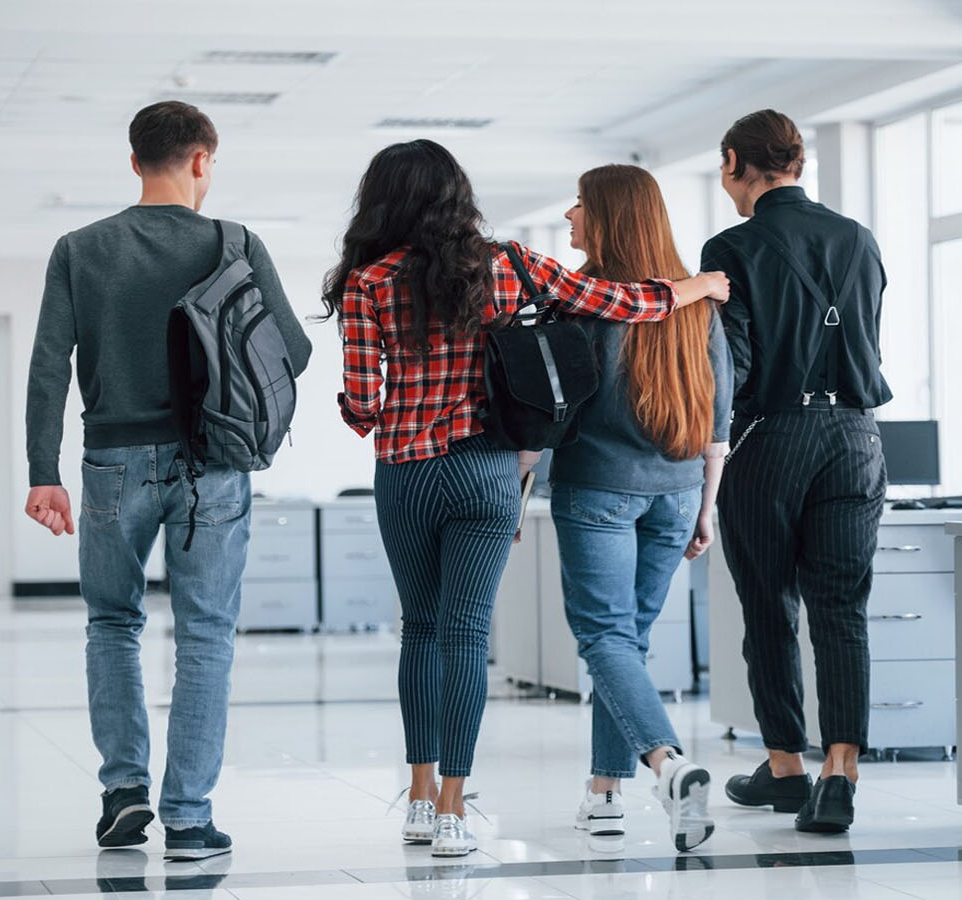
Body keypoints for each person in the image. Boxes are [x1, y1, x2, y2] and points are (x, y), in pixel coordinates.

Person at [321, 140, 729, 859]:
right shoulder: (506, 265)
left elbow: (361, 404)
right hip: (487, 475)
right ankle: (453, 810)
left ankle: (417, 801)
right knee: (468, 638)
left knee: (421, 629)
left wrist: (371, 412)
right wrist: (691, 288)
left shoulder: (368, 282)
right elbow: (620, 301)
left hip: (410, 473)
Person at [24, 101, 314, 860]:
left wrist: (41, 473)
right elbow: (296, 353)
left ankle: (124, 794)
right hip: (211, 465)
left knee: (112, 624)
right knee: (207, 634)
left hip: (109, 464)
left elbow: (49, 364)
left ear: (133, 162)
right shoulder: (234, 242)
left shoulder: (79, 248)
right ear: (200, 161)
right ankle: (188, 818)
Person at [700, 109, 891, 834]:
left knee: (771, 606)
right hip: (857, 438)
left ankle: (785, 767)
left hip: (773, 437)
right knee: (842, 608)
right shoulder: (858, 240)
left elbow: (736, 365)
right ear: (798, 163)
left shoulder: (732, 246)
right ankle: (839, 771)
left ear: (733, 162)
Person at [550, 165, 732, 853]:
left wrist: (517, 490)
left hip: (598, 488)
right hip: (680, 492)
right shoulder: (701, 304)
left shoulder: (586, 306)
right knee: (627, 643)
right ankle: (602, 793)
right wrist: (706, 509)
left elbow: (553, 410)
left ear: (608, 218)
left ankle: (666, 763)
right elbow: (719, 418)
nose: (570, 215)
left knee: (605, 639)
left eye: (580, 205)